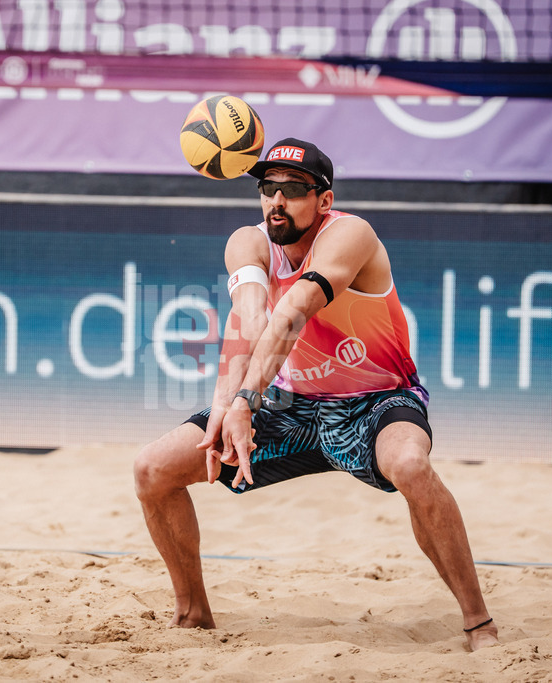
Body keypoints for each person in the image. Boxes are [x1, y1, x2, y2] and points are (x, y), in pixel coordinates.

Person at [134, 138, 500, 652]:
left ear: (323, 200)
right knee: (152, 469)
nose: (276, 201)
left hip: (375, 400)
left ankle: (478, 622)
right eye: (268, 188)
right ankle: (193, 613)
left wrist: (245, 402)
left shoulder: (351, 234)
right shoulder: (248, 241)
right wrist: (226, 405)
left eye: (293, 190)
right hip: (290, 403)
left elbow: (294, 313)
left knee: (412, 467)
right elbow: (250, 320)